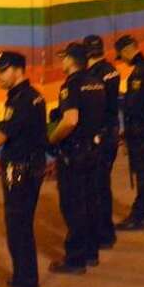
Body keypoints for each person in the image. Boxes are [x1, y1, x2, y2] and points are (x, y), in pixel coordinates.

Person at [0, 51, 47, 287]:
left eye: (2, 71)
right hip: (32, 168)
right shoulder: (34, 96)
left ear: (17, 70)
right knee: (22, 227)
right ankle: (23, 277)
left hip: (20, 172)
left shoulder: (20, 100)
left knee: (18, 231)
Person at [48, 42, 106, 274]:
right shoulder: (96, 82)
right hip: (94, 149)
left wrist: (52, 138)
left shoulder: (70, 85)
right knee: (91, 202)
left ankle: (75, 259)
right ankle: (91, 252)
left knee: (73, 206)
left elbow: (70, 120)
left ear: (72, 60)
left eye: (64, 58)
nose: (62, 62)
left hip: (74, 153)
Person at [114, 35, 144, 231]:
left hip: (137, 127)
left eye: (121, 56)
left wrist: (115, 98)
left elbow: (131, 106)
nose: (123, 61)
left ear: (127, 50)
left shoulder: (137, 74)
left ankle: (139, 215)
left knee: (141, 169)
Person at [83, 34, 121, 250]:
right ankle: (105, 231)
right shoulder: (110, 70)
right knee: (103, 184)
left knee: (97, 186)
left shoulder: (94, 76)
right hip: (112, 131)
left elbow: (94, 108)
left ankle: (102, 233)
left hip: (101, 134)